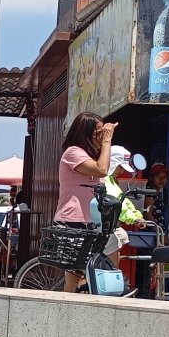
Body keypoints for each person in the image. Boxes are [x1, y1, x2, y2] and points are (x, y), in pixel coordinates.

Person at [54, 112, 118, 293]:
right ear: (85, 133)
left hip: (94, 222)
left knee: (110, 260)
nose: (101, 136)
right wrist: (107, 141)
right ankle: (68, 302)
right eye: (98, 132)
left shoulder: (92, 155)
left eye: (103, 132)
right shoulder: (73, 152)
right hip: (73, 220)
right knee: (74, 275)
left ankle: (101, 294)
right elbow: (102, 170)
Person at [143, 163, 169, 227]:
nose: (161, 179)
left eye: (164, 177)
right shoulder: (149, 194)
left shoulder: (158, 193)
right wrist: (158, 229)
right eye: (158, 177)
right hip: (151, 231)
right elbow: (147, 215)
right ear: (151, 178)